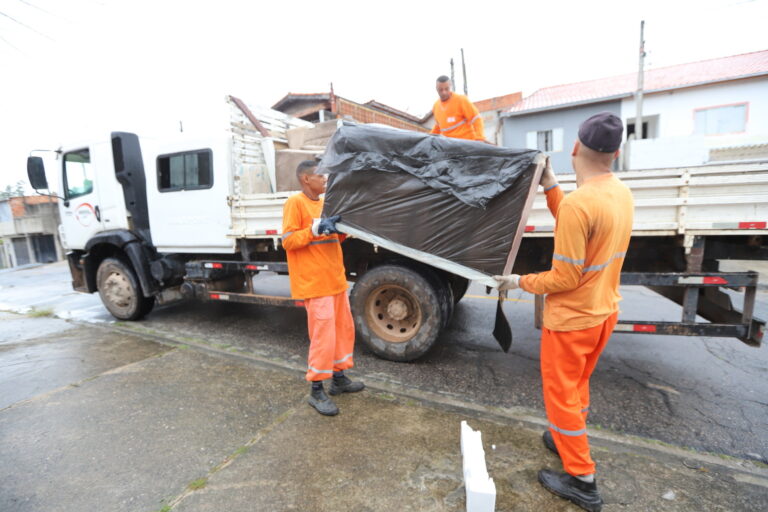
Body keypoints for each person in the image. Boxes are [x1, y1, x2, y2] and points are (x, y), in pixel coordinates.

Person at [493, 112, 634, 512]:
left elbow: (565, 276)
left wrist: (518, 282)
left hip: (572, 321)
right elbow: (580, 227)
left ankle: (583, 480)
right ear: (616, 154)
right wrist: (552, 187)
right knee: (577, 388)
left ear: (575, 148)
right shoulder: (620, 193)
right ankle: (565, 438)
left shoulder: (580, 205)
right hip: (603, 313)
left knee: (561, 397)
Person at [282, 160, 364, 416]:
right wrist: (314, 229)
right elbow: (287, 241)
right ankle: (316, 390)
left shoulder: (326, 203)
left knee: (343, 330)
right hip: (315, 284)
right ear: (306, 179)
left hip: (334, 280)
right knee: (323, 337)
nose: (325, 179)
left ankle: (338, 378)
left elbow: (332, 238)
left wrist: (340, 230)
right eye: (321, 176)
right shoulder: (295, 203)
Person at [430, 75, 485, 141]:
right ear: (436, 89)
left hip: (466, 143)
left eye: (446, 89)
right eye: (441, 90)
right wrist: (428, 138)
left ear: (450, 87)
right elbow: (438, 126)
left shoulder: (461, 100)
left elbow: (476, 118)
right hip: (449, 144)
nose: (444, 92)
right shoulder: (436, 106)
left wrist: (479, 138)